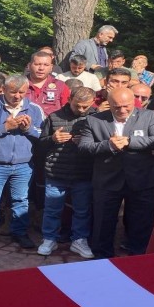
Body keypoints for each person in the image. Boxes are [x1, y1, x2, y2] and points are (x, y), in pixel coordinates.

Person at [79, 87, 154, 258]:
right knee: (103, 221)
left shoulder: (148, 116)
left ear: (133, 102)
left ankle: (138, 256)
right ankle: (102, 257)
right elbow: (84, 147)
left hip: (141, 178)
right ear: (109, 104)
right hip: (107, 179)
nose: (122, 110)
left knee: (141, 221)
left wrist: (130, 141)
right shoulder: (94, 120)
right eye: (117, 107)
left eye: (126, 106)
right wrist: (108, 145)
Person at [0, 74, 46, 249]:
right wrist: (5, 127)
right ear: (4, 89)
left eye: (21, 92)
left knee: (21, 200)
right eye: (13, 92)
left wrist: (28, 129)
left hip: (23, 165)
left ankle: (20, 233)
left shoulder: (34, 109)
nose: (17, 96)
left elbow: (43, 134)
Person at [37, 87, 96, 258]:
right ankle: (49, 238)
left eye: (85, 106)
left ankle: (79, 239)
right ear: (69, 99)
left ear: (92, 102)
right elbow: (40, 144)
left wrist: (86, 142)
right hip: (57, 171)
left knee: (82, 210)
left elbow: (103, 143)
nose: (81, 110)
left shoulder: (97, 117)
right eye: (77, 105)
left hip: (83, 172)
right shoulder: (54, 116)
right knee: (52, 209)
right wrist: (52, 139)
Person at [26, 50, 70, 116]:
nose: (41, 68)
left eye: (46, 65)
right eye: (37, 64)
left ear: (51, 67)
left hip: (51, 122)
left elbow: (68, 111)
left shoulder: (61, 86)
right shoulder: (18, 84)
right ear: (29, 66)